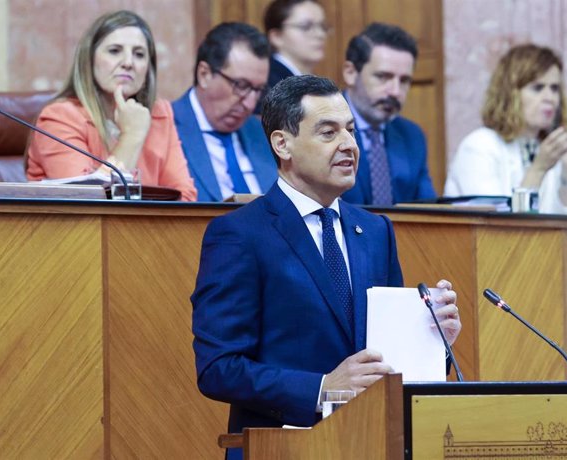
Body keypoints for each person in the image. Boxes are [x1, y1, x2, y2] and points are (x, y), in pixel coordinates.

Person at [191, 75, 462, 459]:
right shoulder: (239, 235)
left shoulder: (375, 231)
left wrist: (434, 343)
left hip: (372, 444)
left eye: (350, 130)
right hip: (284, 448)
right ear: (282, 144)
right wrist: (323, 388)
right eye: (328, 132)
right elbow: (218, 368)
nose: (349, 145)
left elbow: (387, 362)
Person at [26, 10, 197, 201]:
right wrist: (132, 135)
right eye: (115, 51)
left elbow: (185, 197)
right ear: (89, 60)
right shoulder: (59, 117)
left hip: (149, 230)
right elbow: (87, 203)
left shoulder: (159, 113)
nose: (128, 63)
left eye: (139, 54)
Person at [444, 44, 567, 214]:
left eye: (554, 88)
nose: (550, 98)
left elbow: (565, 221)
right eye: (538, 88)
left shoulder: (545, 149)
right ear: (511, 94)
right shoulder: (479, 146)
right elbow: (497, 227)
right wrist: (538, 169)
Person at [172, 23, 277, 202]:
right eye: (241, 86)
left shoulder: (263, 132)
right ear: (204, 74)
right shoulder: (165, 128)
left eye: (258, 90)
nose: (250, 104)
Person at [340, 23, 436, 206]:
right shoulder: (322, 130)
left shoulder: (412, 136)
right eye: (383, 77)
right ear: (351, 73)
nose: (395, 91)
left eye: (404, 80)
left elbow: (429, 211)